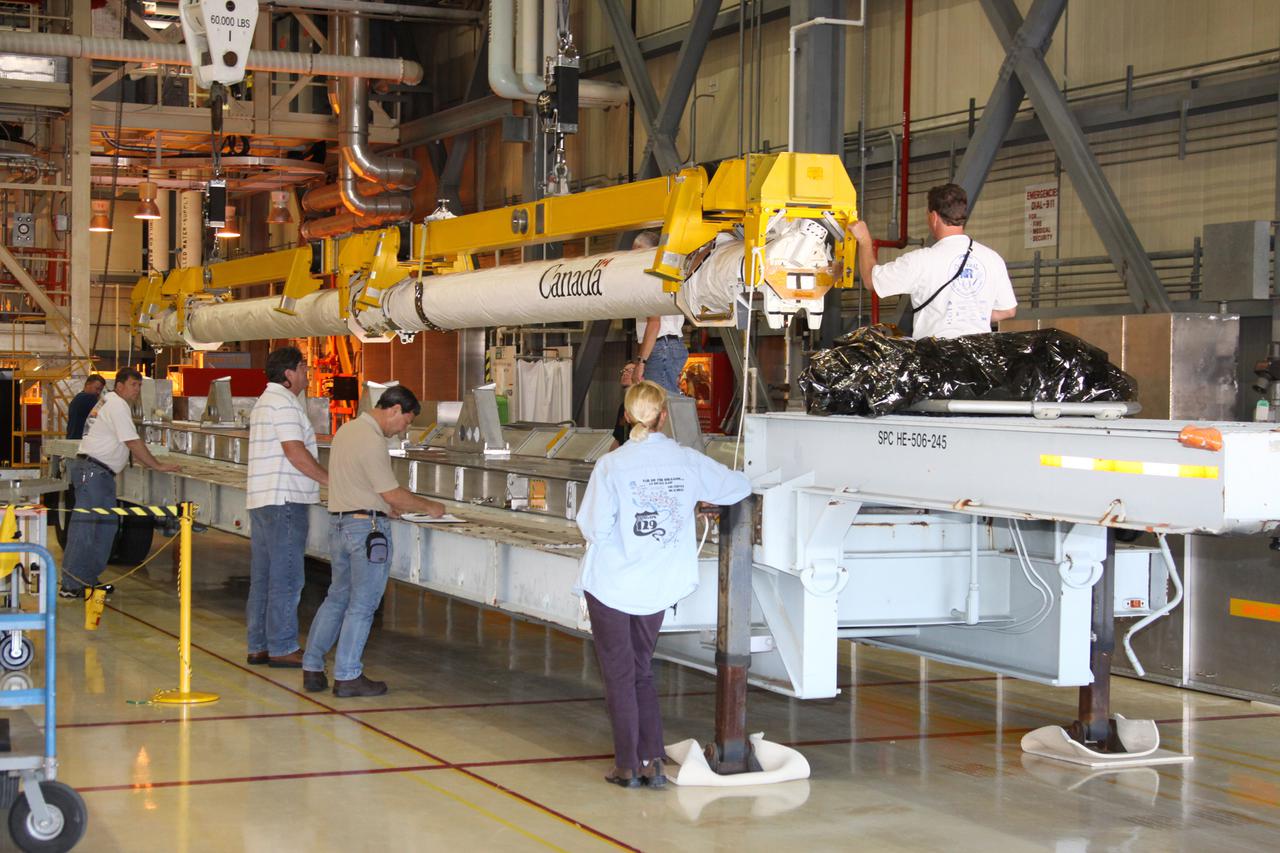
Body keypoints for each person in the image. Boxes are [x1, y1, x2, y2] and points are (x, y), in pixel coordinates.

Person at [576, 380, 751, 788]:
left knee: (619, 675)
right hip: (657, 585)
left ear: (625, 415)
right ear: (664, 417)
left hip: (613, 585)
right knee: (642, 671)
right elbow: (737, 487)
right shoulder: (687, 461)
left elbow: (594, 527)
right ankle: (653, 761)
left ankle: (626, 765)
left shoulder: (612, 465)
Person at [302, 384, 446, 697]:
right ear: (394, 409)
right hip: (365, 531)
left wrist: (384, 506)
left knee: (337, 597)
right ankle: (348, 675)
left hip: (340, 524)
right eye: (406, 421)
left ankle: (312, 666)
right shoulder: (372, 439)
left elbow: (360, 483)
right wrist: (430, 507)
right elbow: (391, 492)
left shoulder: (347, 430)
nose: (402, 429)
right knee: (363, 605)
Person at [60, 368, 181, 599]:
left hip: (100, 474)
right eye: (134, 385)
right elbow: (132, 441)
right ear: (120, 385)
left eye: (139, 385)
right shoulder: (117, 405)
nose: (137, 390)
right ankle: (71, 583)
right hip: (95, 473)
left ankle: (87, 579)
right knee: (86, 528)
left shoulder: (111, 402)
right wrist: (157, 465)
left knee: (104, 528)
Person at [245, 347, 329, 668]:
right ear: (289, 373)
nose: (308, 374)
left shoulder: (264, 403)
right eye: (304, 368)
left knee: (264, 577)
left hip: (264, 500)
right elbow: (295, 452)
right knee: (288, 577)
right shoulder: (283, 404)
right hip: (285, 500)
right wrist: (330, 481)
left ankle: (259, 645)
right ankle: (282, 646)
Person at [847, 183, 1017, 339]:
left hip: (936, 361)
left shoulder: (921, 260)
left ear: (934, 217)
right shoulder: (992, 258)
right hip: (977, 363)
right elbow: (1008, 311)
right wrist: (968, 313)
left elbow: (871, 281)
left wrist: (865, 241)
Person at [631, 230, 687, 395]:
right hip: (668, 345)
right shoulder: (666, 275)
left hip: (661, 345)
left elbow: (654, 323)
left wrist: (641, 362)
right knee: (664, 401)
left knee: (660, 403)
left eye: (638, 253)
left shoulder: (650, 279)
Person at [66, 374, 106, 440]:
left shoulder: (77, 398)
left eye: (100, 390)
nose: (98, 392)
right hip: (82, 441)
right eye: (97, 388)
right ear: (88, 384)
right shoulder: (89, 398)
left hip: (72, 438)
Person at [612, 360, 638, 446]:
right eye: (624, 371)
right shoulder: (623, 407)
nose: (625, 374)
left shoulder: (642, 406)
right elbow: (618, 439)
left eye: (631, 371)